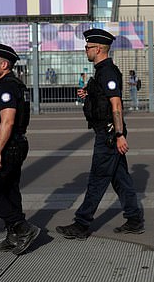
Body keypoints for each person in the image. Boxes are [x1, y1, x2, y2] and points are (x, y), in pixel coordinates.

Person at [56, 29, 144, 240]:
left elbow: (116, 104)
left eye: (87, 47)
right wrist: (88, 93)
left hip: (109, 134)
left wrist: (119, 134)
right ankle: (134, 220)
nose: (85, 50)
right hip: (108, 132)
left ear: (98, 49)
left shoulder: (107, 72)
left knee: (97, 179)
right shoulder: (101, 72)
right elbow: (103, 97)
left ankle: (82, 224)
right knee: (120, 179)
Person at [0, 44, 40, 255]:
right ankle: (13, 235)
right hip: (15, 145)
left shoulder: (6, 87)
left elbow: (8, 121)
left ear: (4, 65)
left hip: (8, 148)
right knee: (9, 191)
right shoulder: (13, 85)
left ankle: (23, 228)